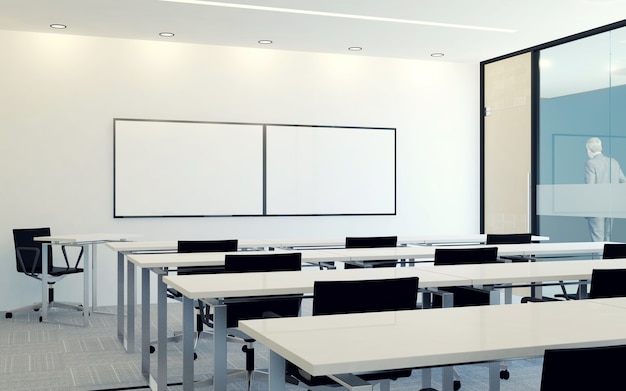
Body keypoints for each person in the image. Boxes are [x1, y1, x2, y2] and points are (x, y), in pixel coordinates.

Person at [585, 137, 626, 241]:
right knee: (607, 238)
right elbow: (623, 181)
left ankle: (599, 258)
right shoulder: (614, 162)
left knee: (597, 239)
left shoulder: (590, 163)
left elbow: (590, 187)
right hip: (611, 206)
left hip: (596, 207)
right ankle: (606, 258)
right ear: (601, 148)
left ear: (588, 150)